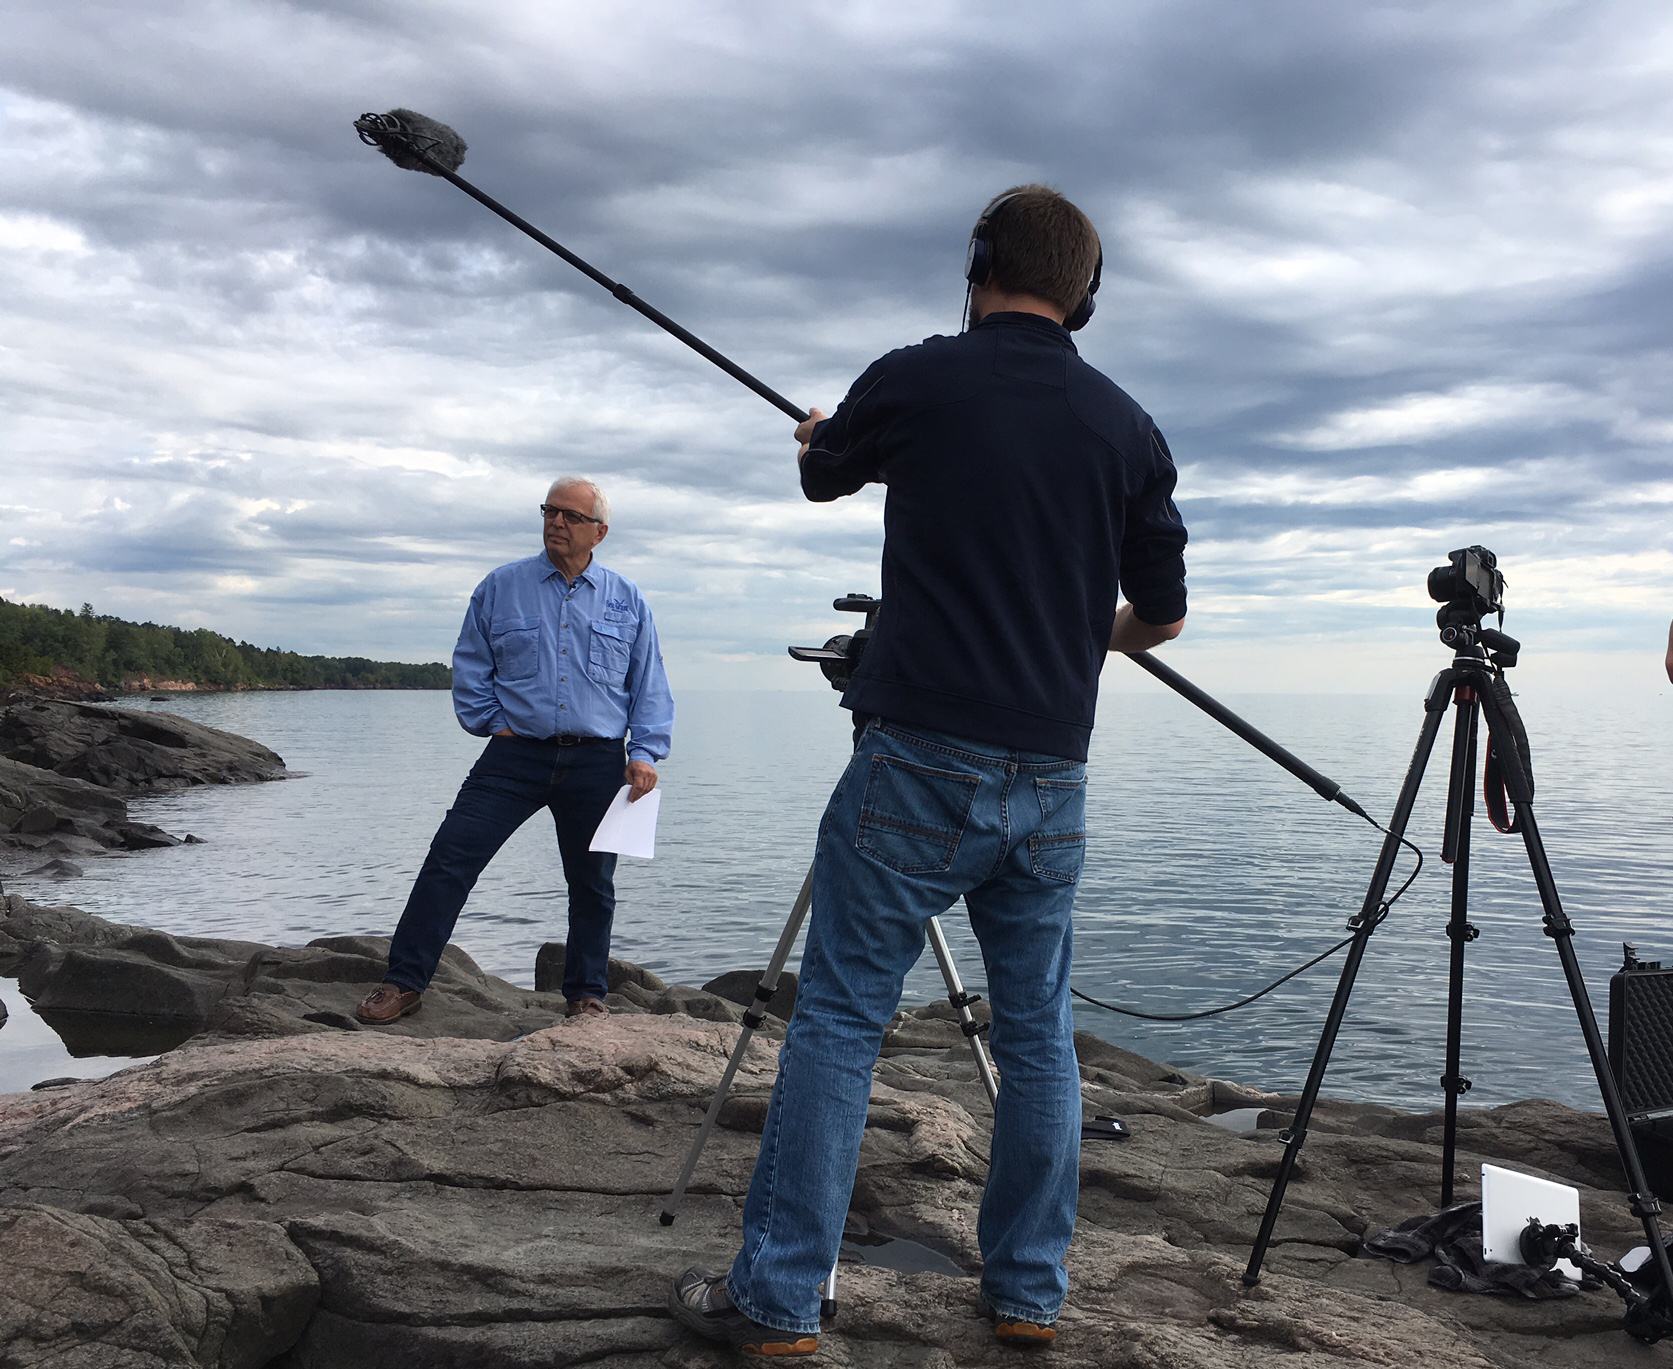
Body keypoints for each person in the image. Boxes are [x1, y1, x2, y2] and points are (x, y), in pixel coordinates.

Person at [669, 186, 1188, 1357]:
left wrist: (817, 437)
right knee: (1036, 1031)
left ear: (977, 265)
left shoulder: (920, 374)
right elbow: (1159, 616)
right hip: (1052, 780)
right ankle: (1024, 1294)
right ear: (1085, 297)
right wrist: (1077, 632)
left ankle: (779, 1299)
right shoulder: (1127, 429)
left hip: (914, 761)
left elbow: (824, 474)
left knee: (842, 1021)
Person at [355, 477, 673, 1025]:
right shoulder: (501, 587)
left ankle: (586, 997)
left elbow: (649, 685)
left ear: (599, 531)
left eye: (570, 516)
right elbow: (471, 664)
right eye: (549, 511)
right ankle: (403, 982)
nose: (556, 522)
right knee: (449, 860)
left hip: (598, 760)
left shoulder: (627, 599)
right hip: (514, 758)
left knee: (593, 884)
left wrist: (644, 754)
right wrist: (491, 723)